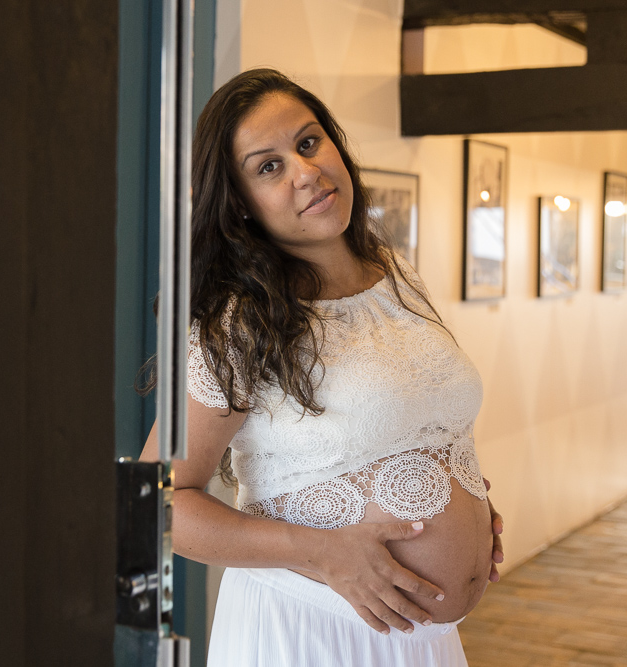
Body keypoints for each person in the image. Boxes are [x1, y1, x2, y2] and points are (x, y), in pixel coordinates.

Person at [139, 68, 503, 667]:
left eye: (308, 143)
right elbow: (158, 502)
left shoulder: (395, 274)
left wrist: (456, 499)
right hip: (312, 629)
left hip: (423, 638)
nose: (305, 172)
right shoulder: (238, 325)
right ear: (241, 204)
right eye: (269, 167)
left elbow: (416, 425)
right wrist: (321, 552)